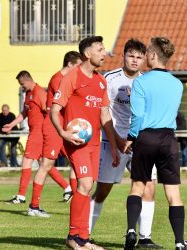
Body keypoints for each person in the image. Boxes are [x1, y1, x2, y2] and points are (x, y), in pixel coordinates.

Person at [88, 39, 161, 249]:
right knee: (102, 191)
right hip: (113, 142)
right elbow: (103, 112)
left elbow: (149, 113)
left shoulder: (147, 81)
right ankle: (84, 234)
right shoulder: (109, 79)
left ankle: (145, 239)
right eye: (131, 56)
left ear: (144, 59)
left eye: (139, 57)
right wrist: (116, 141)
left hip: (140, 144)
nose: (135, 60)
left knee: (149, 188)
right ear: (124, 56)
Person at [51, 36, 120, 250]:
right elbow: (54, 110)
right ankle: (73, 237)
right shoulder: (72, 77)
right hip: (77, 142)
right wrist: (63, 132)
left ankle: (84, 238)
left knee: (87, 188)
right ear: (87, 53)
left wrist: (115, 146)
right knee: (86, 184)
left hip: (96, 143)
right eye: (100, 49)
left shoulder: (101, 80)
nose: (104, 53)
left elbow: (105, 114)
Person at [123, 37, 187, 250]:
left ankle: (131, 230)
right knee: (173, 194)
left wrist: (131, 137)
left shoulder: (140, 82)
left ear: (152, 55)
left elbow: (138, 116)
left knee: (138, 186)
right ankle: (179, 242)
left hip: (146, 137)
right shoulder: (177, 84)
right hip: (168, 138)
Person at [4, 70, 72, 217]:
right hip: (33, 131)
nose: (21, 87)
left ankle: (21, 196)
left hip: (39, 132)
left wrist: (49, 131)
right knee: (44, 164)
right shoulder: (28, 95)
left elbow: (48, 112)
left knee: (28, 161)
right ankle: (66, 187)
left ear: (28, 80)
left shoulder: (40, 92)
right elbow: (24, 113)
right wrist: (11, 124)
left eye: (22, 84)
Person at [44, 51, 82, 202]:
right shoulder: (58, 79)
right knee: (45, 164)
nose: (80, 69)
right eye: (78, 66)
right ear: (70, 64)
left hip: (64, 125)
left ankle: (73, 193)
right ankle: (33, 205)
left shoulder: (68, 78)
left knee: (74, 161)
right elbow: (62, 103)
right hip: (55, 127)